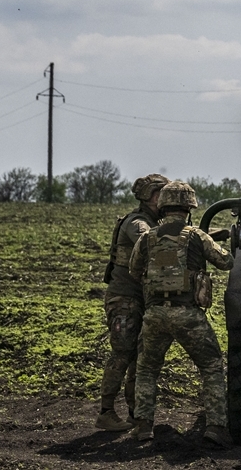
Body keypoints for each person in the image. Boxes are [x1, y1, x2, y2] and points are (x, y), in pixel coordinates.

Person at [128, 180, 235, 446]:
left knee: (147, 371)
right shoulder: (197, 235)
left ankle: (143, 427)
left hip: (154, 315)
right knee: (211, 368)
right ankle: (215, 428)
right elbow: (226, 262)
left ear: (163, 206)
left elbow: (133, 269)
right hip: (187, 314)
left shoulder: (147, 237)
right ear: (189, 207)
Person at [95, 173, 169, 431]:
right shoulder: (137, 222)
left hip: (143, 299)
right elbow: (149, 241)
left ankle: (135, 413)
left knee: (140, 357)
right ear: (148, 197)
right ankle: (105, 412)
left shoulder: (156, 221)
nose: (165, 198)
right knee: (123, 352)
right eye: (160, 193)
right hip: (124, 299)